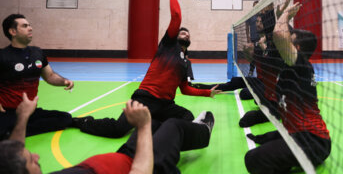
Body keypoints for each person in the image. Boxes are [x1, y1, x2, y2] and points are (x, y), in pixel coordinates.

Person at [73, 0, 221, 138]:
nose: (185, 34)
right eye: (182, 32)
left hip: (165, 104)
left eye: (188, 33)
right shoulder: (168, 45)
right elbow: (177, 16)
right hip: (146, 98)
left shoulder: (186, 62)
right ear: (176, 36)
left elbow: (184, 89)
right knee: (118, 130)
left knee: (187, 117)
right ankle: (84, 122)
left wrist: (207, 93)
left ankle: (153, 125)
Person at [0, 95, 215, 174]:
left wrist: (23, 118)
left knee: (156, 124)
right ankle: (203, 131)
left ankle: (169, 143)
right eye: (30, 160)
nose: (37, 156)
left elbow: (15, 150)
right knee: (172, 126)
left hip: (123, 158)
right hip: (143, 166)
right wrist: (141, 125)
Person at [244, 2, 331, 174]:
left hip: (313, 142)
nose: (284, 40)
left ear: (296, 48)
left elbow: (278, 34)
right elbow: (275, 36)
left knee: (252, 160)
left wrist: (285, 16)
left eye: (290, 39)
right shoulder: (289, 64)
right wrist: (275, 11)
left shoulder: (300, 65)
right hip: (299, 135)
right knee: (263, 139)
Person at [0, 14, 76, 140]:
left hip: (31, 111)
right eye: (25, 26)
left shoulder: (37, 53)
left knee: (65, 118)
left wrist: (64, 81)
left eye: (29, 25)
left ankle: (16, 130)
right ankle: (13, 129)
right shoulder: (3, 56)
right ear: (12, 31)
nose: (30, 28)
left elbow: (50, 76)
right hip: (8, 111)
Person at [245, 0, 260, 77]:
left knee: (261, 57)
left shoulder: (262, 15)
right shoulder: (250, 15)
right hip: (253, 39)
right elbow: (246, 27)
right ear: (253, 7)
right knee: (253, 56)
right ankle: (251, 71)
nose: (256, 7)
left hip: (261, 40)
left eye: (258, 5)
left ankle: (260, 72)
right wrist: (248, 38)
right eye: (255, 5)